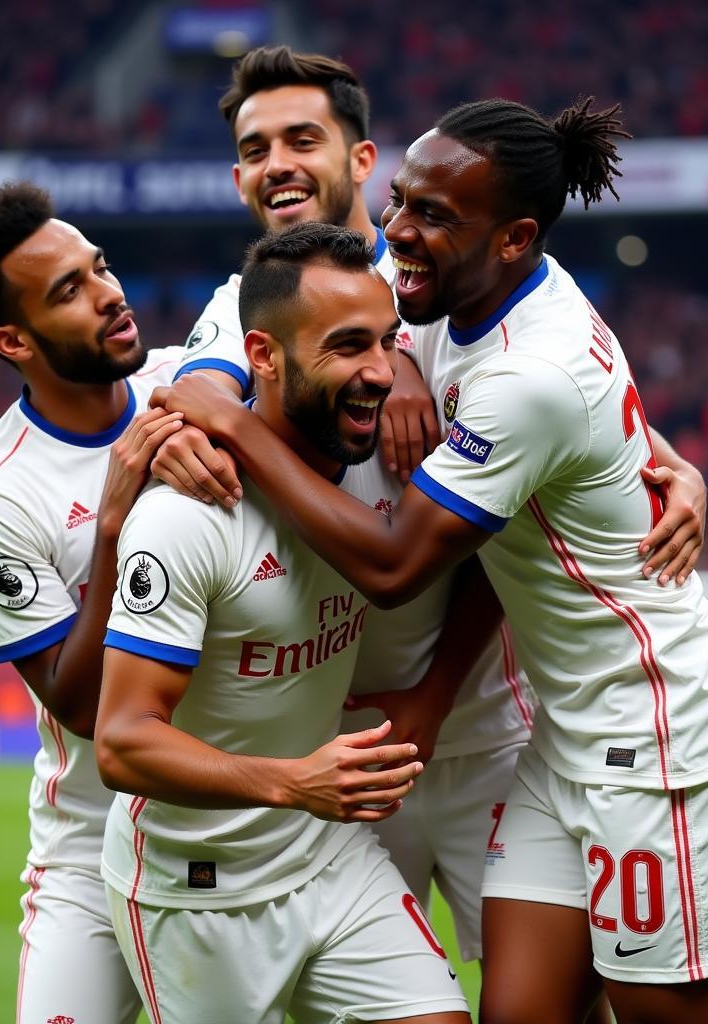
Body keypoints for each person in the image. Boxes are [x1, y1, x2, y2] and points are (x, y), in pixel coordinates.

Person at [150, 98, 708, 1024]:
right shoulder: (471, 288)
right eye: (400, 200)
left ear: (515, 238)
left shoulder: (532, 376)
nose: (397, 233)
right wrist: (397, 359)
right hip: (567, 741)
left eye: (431, 217)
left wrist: (241, 429)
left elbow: (396, 564)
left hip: (666, 744)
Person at [95, 223, 470, 1024]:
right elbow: (123, 740)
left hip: (327, 854)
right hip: (197, 885)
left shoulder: (393, 464)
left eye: (388, 343)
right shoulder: (186, 514)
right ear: (262, 356)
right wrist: (293, 782)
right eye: (347, 347)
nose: (379, 372)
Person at [0, 182, 238, 1024]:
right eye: (69, 290)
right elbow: (81, 703)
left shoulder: (193, 383)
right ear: (11, 339)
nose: (109, 293)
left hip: (240, 825)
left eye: (98, 267)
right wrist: (112, 525)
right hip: (90, 850)